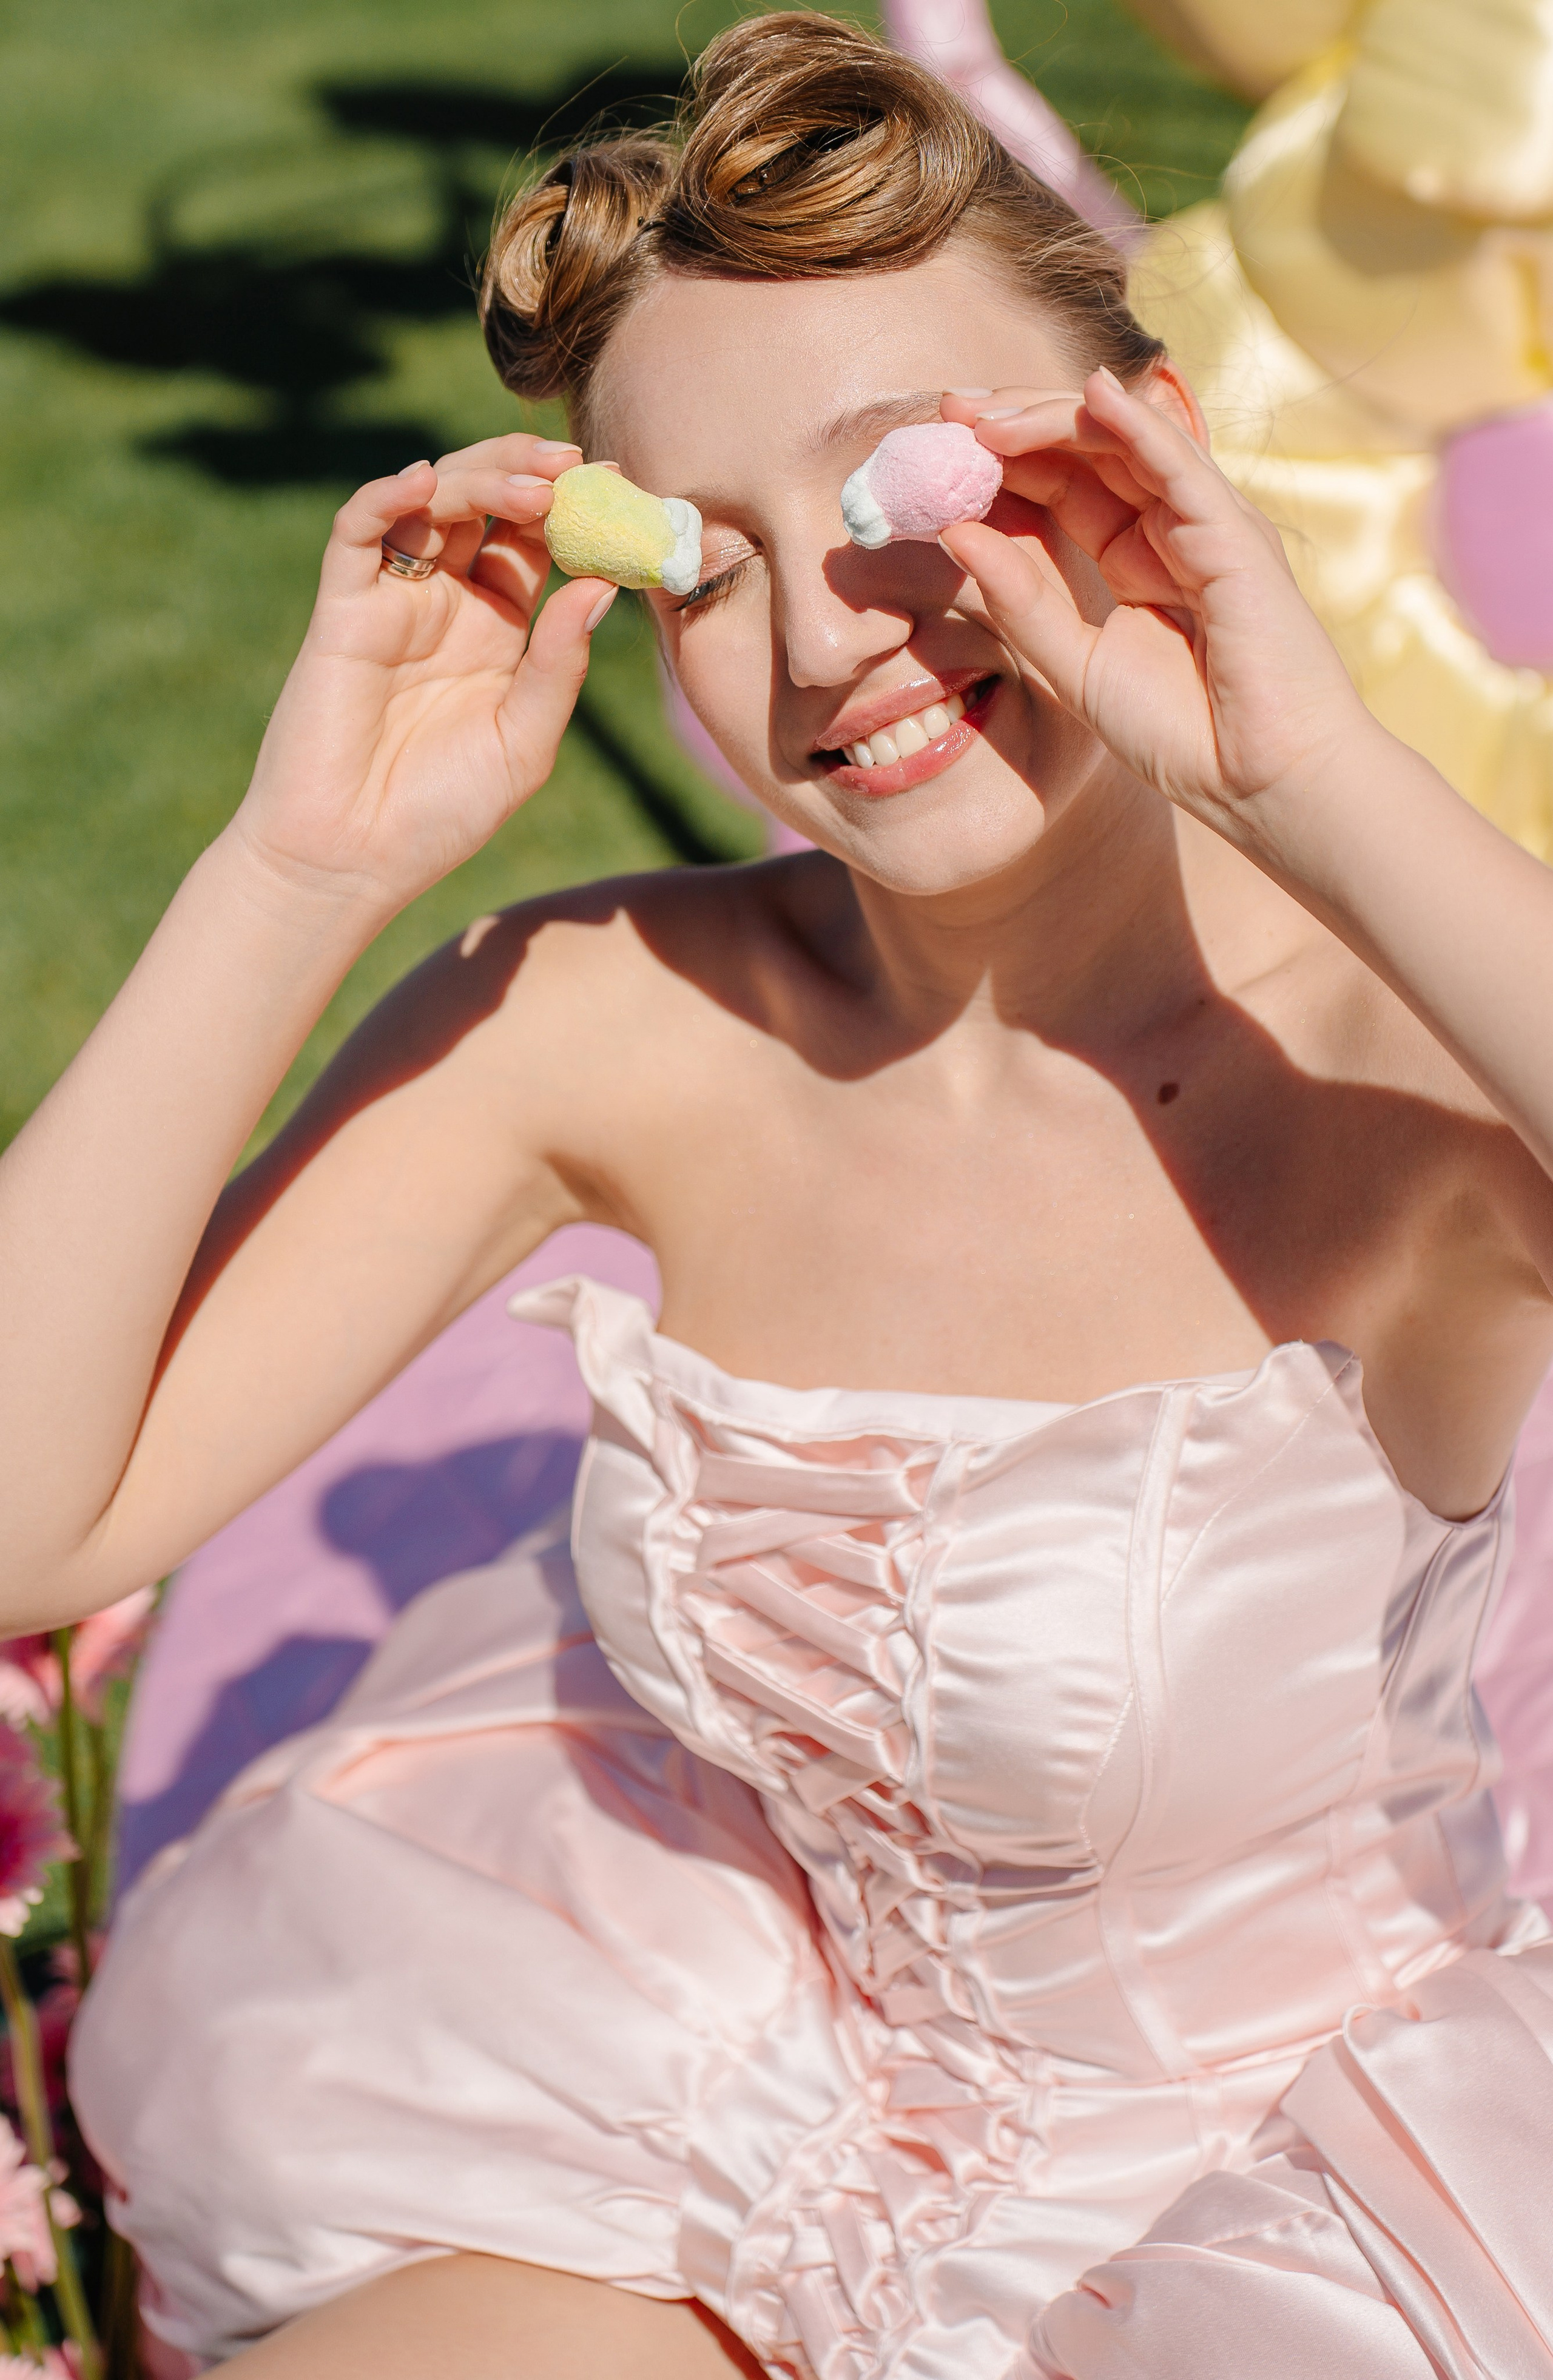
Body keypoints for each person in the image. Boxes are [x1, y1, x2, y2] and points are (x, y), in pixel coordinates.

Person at [10, 11, 1553, 2373]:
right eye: (708, 566)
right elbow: (30, 1525)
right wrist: (291, 870)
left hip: (1319, 2232)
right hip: (725, 2109)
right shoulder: (606, 1013)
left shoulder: (1420, 1063)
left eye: (901, 490)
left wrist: (1307, 771)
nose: (827, 636)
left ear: (1145, 446)